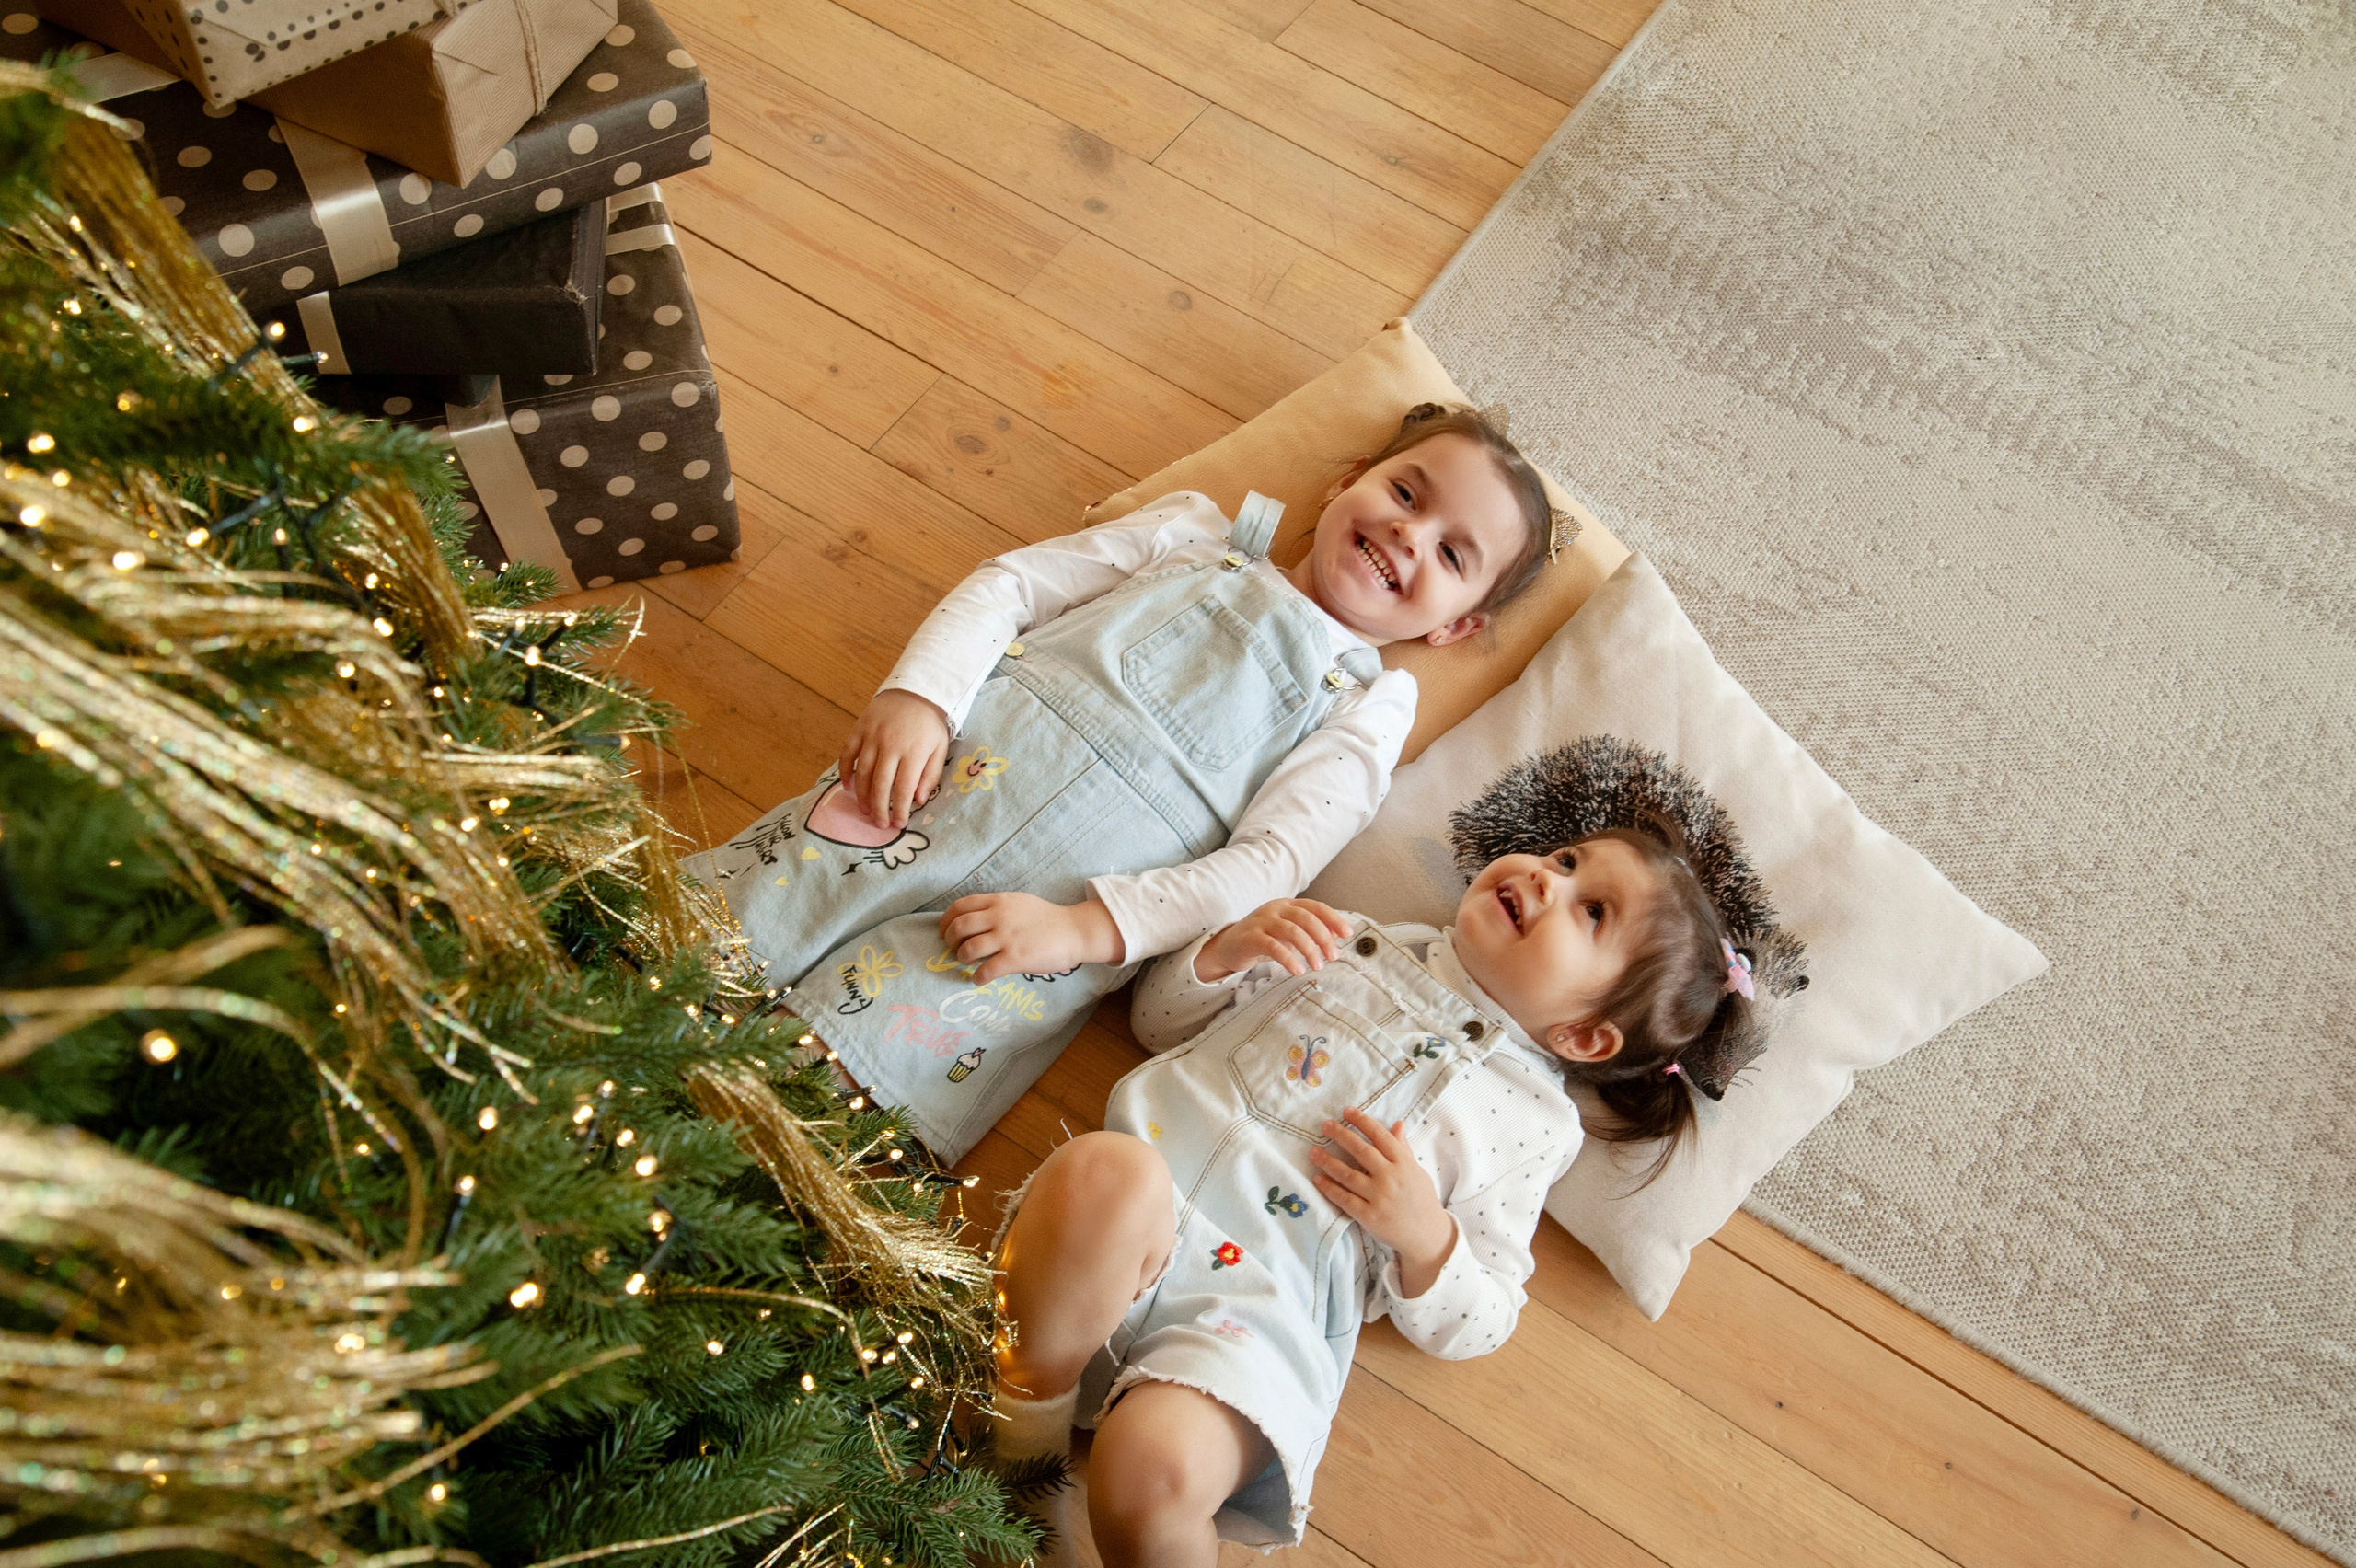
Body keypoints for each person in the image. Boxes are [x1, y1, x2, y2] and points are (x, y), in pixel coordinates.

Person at [687, 405, 1562, 1161]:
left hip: (1023, 935)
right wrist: (920, 695)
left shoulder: (1369, 707)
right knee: (695, 946)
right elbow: (1012, 587)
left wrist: (1085, 928)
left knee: (820, 1095)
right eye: (1406, 495)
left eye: (1451, 553)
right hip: (910, 797)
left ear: (1456, 627)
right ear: (1346, 482)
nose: (1410, 533)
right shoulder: (1190, 535)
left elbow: (1267, 866)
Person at [986, 824, 1766, 1566]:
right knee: (1104, 1172)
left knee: (1150, 1474)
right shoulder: (1339, 937)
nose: (1544, 876)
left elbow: (1483, 1320)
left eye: (1591, 910)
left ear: (1585, 1036)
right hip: (1126, 1225)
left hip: (1257, 1315)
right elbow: (1158, 1023)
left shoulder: (1531, 1125)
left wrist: (1424, 1234)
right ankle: (1022, 1447)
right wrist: (1226, 951)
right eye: (1566, 860)